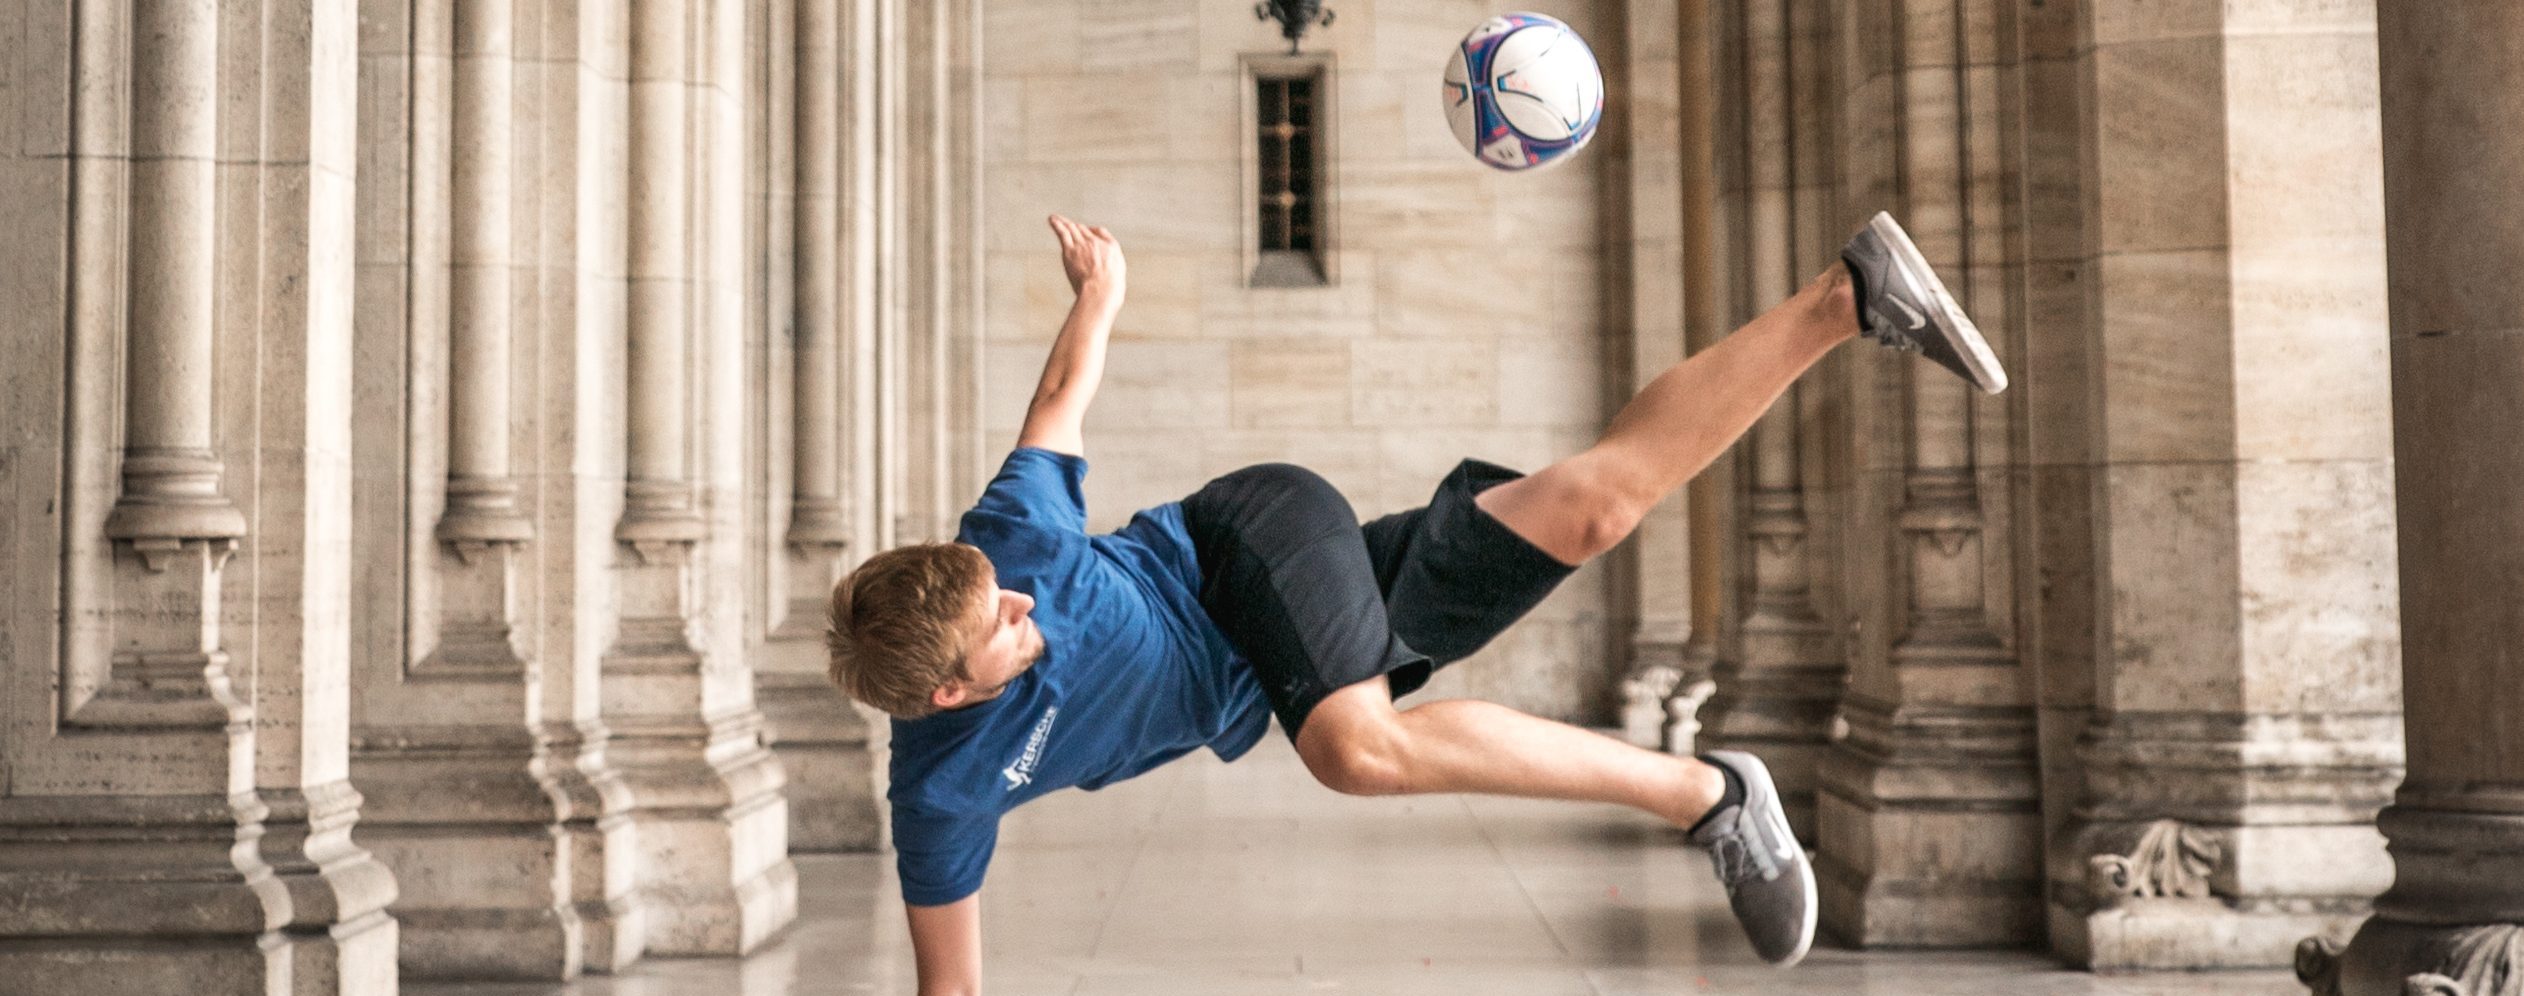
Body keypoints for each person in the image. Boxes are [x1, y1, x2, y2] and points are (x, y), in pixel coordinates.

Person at [826, 211, 2005, 995]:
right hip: (1285, 652)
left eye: (1006, 589)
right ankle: (1848, 299)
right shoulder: (940, 797)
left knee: (1354, 749)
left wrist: (1104, 289)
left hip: (1248, 538)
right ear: (944, 694)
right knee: (1592, 509)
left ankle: (1710, 795)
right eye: (1007, 628)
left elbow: (1057, 397)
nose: (1028, 600)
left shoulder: (1009, 540)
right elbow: (952, 985)